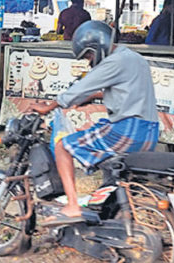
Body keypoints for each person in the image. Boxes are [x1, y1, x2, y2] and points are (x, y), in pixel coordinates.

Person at [31, 20, 159, 226]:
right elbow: (124, 89)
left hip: (128, 131)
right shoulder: (134, 58)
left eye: (89, 56)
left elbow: (81, 87)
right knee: (99, 140)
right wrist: (94, 97)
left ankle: (72, 205)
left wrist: (50, 106)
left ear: (96, 46)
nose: (90, 62)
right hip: (149, 133)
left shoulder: (114, 61)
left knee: (63, 146)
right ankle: (111, 216)